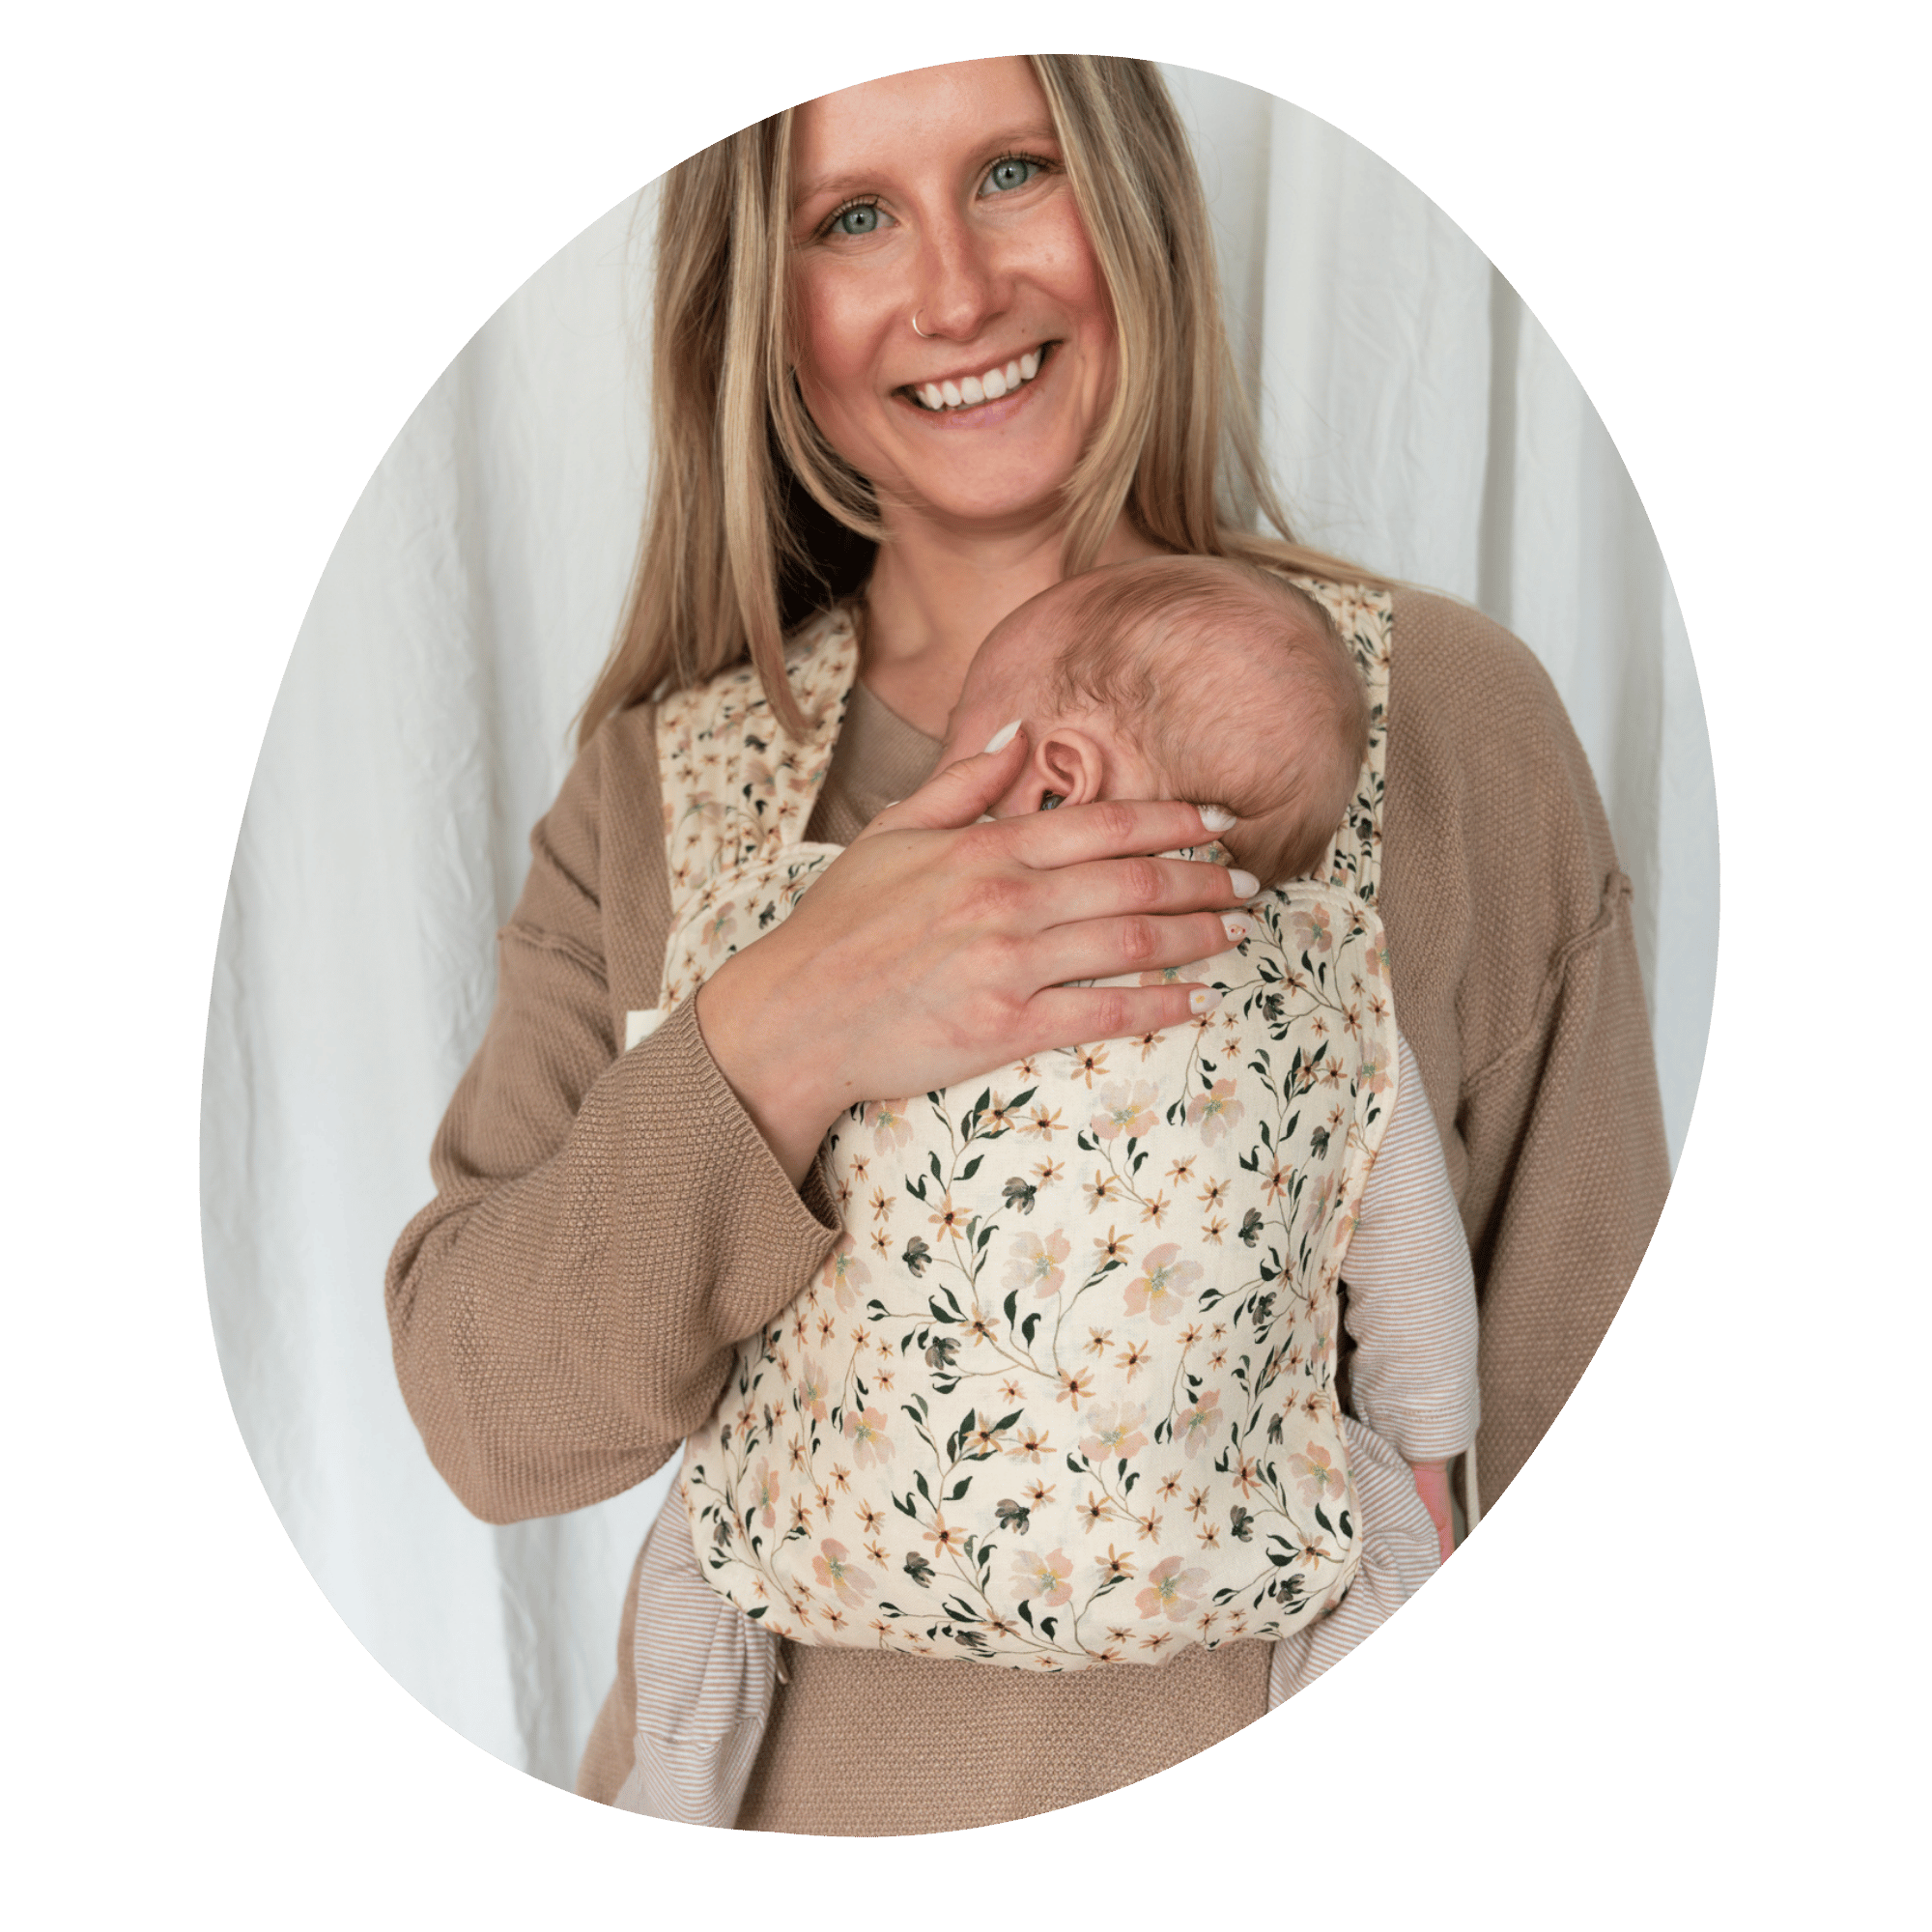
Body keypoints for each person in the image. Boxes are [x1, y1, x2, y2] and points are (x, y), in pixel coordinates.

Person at [385, 55, 1670, 1835]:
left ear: (1129, 194)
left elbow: (1575, 1400)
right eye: (853, 217)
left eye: (1015, 170)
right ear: (767, 310)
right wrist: (781, 1031)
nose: (956, 291)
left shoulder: (1441, 723)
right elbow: (484, 1418)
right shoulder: (662, 789)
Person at [611, 553, 1482, 1825]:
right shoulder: (1329, 1020)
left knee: (706, 1540)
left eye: (960, 747)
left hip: (839, 1503)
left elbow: (681, 1181)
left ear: (1056, 777)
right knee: (1378, 1565)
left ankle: (676, 1790)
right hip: (1205, 1530)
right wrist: (1428, 1452)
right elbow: (1408, 1264)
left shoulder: (837, 955)